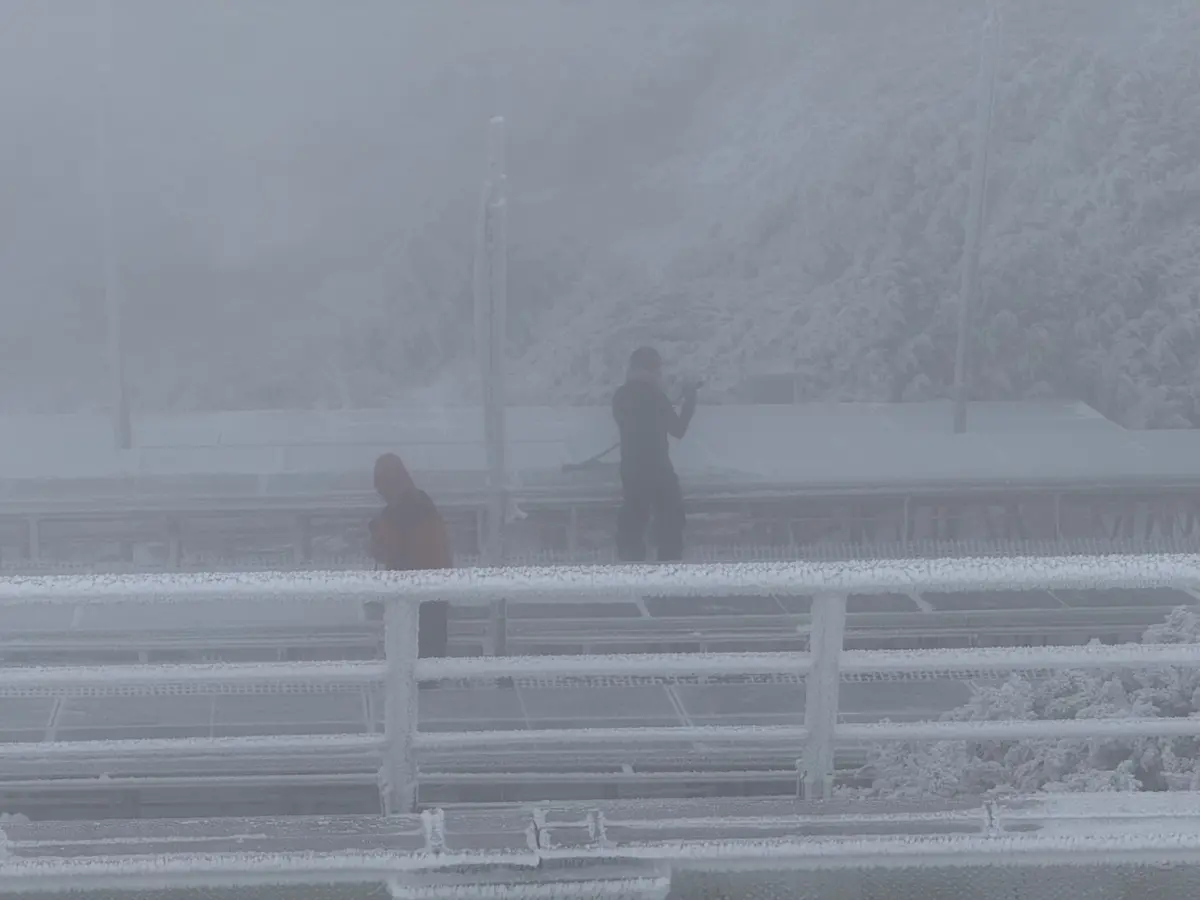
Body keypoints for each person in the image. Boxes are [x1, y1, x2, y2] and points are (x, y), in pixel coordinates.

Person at [612, 346, 698, 562]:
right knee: (670, 525)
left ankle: (632, 574)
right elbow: (677, 430)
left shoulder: (621, 396)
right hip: (659, 469)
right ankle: (668, 578)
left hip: (631, 469)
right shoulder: (656, 396)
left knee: (632, 525)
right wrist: (689, 401)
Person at [368, 452, 452, 657]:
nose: (378, 490)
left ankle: (416, 687)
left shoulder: (395, 513)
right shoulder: (423, 502)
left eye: (379, 484)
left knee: (408, 652)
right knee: (431, 649)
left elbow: (386, 551)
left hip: (409, 592)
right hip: (437, 587)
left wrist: (374, 533)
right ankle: (430, 685)